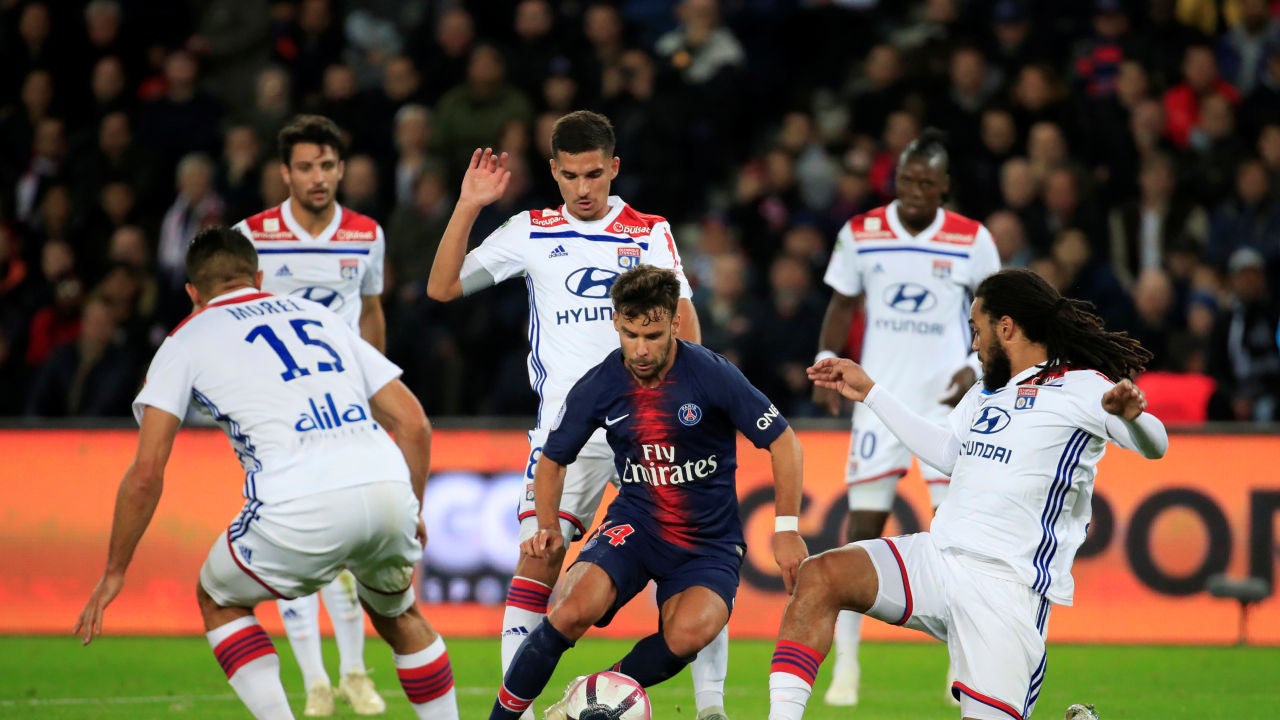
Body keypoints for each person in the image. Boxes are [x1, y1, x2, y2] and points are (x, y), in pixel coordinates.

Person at [75, 226, 459, 720]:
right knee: (400, 616)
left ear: (192, 292)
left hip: (298, 505)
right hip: (385, 486)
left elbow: (147, 473)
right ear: (258, 278)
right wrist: (411, 509)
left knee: (217, 598)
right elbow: (414, 424)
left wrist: (115, 571)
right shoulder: (318, 315)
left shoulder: (184, 340)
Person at [425, 110, 733, 720]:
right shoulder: (530, 230)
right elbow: (442, 287)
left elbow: (684, 323)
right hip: (572, 433)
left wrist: (691, 407)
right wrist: (468, 206)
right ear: (554, 172)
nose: (583, 188)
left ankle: (711, 708)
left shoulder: (649, 231)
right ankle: (515, 708)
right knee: (539, 556)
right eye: (570, 176)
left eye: (594, 174)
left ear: (613, 167)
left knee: (694, 555)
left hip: (649, 429)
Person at [769, 268, 1168, 720]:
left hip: (1006, 589)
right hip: (938, 560)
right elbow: (948, 453)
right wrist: (872, 394)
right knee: (821, 576)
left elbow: (1155, 445)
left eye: (977, 330)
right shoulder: (985, 391)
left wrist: (1134, 418)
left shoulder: (1082, 387)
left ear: (1006, 328)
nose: (974, 344)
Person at [488, 265, 807, 720]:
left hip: (707, 542)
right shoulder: (600, 384)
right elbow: (554, 459)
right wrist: (547, 525)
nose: (640, 349)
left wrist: (787, 529)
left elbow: (784, 442)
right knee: (571, 607)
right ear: (616, 322)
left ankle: (590, 694)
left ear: (675, 324)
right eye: (631, 334)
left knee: (692, 632)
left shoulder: (711, 374)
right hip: (636, 526)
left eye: (653, 336)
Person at [812, 128, 1001, 706]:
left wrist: (973, 366)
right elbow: (842, 302)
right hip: (877, 401)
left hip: (947, 407)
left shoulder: (972, 239)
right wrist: (827, 360)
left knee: (957, 538)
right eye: (907, 180)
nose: (915, 190)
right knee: (862, 531)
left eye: (926, 182)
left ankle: (961, 667)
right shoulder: (861, 232)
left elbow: (997, 314)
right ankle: (847, 666)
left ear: (945, 186)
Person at [231, 114, 388, 716]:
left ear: (341, 169)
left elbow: (370, 311)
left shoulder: (366, 234)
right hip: (274, 416)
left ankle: (353, 673)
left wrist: (376, 389)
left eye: (326, 165)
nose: (317, 177)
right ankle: (316, 681)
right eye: (305, 167)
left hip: (342, 413)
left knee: (344, 549)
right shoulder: (252, 237)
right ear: (285, 172)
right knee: (289, 544)